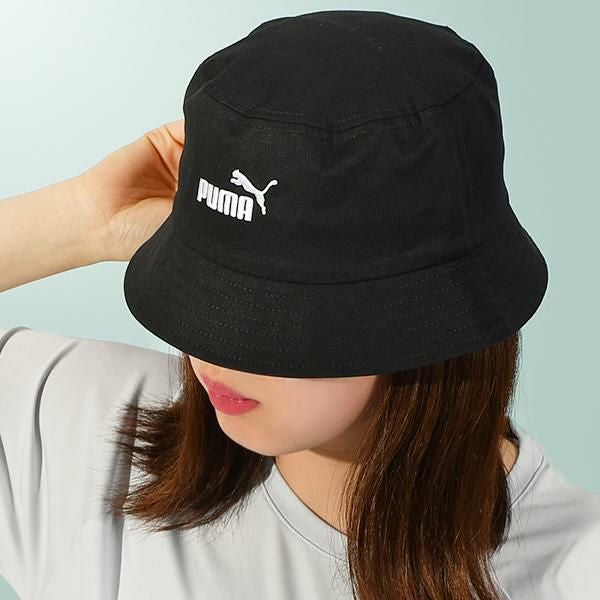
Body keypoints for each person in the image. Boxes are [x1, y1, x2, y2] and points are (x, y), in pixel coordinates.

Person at [1, 11, 599, 600]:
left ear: (424, 310)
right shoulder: (86, 432)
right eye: (211, 291)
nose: (212, 350)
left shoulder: (576, 570)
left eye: (276, 312)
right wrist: (82, 220)